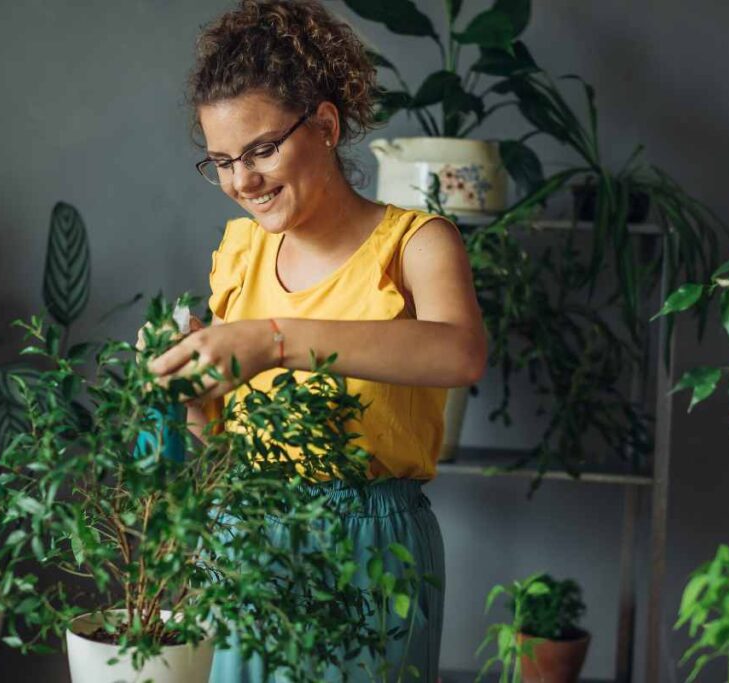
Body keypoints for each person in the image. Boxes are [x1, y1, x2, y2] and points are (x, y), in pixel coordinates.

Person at [142, 1, 487, 680]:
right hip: (245, 543)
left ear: (325, 125)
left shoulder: (416, 244)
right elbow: (215, 442)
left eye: (262, 149)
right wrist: (183, 387)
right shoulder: (238, 252)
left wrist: (273, 340)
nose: (243, 181)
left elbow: (459, 352)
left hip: (371, 546)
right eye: (221, 161)